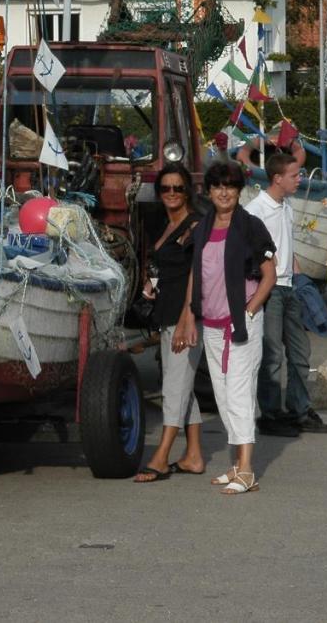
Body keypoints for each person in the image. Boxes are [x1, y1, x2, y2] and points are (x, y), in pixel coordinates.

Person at [174, 162, 276, 495]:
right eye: (217, 186)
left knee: (239, 392)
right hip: (212, 324)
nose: (223, 192)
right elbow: (196, 273)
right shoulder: (202, 226)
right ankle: (234, 465)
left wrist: (248, 310)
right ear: (209, 191)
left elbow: (269, 274)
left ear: (238, 190)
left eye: (230, 186)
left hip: (241, 322)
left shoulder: (250, 226)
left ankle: (247, 470)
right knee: (221, 394)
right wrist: (189, 314)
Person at [248, 152, 327, 437]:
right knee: (271, 356)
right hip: (269, 290)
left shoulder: (287, 206)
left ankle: (299, 408)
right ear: (277, 178)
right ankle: (270, 414)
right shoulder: (255, 210)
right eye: (295, 175)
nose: (300, 180)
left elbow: (287, 245)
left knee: (300, 352)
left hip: (290, 286)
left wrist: (299, 279)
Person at [134, 162, 203, 482]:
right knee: (182, 385)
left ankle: (161, 457)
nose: (172, 193)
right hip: (167, 313)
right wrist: (152, 283)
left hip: (185, 317)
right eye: (165, 188)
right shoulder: (165, 224)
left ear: (187, 190)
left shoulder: (195, 225)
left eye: (178, 187)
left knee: (174, 387)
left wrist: (188, 318)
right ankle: (193, 456)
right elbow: (167, 268)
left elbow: (197, 273)